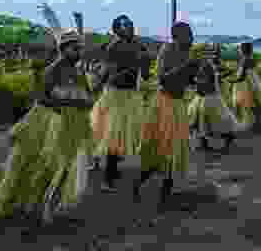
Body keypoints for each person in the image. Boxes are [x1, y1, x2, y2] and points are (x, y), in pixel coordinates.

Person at [135, 22, 200, 217]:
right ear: (177, 36)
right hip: (164, 105)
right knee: (161, 151)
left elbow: (186, 79)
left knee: (175, 152)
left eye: (192, 34)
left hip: (178, 105)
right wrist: (186, 67)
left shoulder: (187, 53)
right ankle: (139, 186)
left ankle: (165, 197)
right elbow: (163, 79)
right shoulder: (167, 50)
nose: (192, 38)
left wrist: (195, 74)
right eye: (188, 35)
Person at [33, 30, 96, 224]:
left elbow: (88, 97)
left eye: (79, 48)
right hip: (58, 123)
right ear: (63, 49)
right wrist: (62, 106)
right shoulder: (53, 70)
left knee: (68, 166)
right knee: (57, 166)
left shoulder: (79, 73)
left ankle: (51, 204)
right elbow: (42, 97)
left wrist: (83, 101)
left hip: (77, 124)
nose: (77, 52)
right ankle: (46, 206)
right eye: (73, 48)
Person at [89, 15, 151, 192]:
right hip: (115, 95)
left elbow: (145, 74)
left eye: (130, 25)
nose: (128, 29)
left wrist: (144, 63)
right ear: (117, 29)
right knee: (113, 135)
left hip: (131, 95)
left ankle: (111, 170)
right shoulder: (114, 46)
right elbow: (109, 72)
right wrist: (98, 84)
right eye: (124, 26)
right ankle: (107, 178)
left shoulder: (139, 46)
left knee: (122, 134)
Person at [0, 58, 58, 218]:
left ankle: (30, 201)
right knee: (21, 160)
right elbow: (40, 99)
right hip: (39, 118)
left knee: (39, 163)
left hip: (49, 119)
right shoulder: (41, 81)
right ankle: (13, 201)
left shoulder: (52, 74)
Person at [187, 43, 245, 153]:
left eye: (197, 54)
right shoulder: (203, 64)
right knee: (200, 120)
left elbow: (207, 81)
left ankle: (227, 140)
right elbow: (202, 80)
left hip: (210, 97)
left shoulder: (207, 65)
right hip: (203, 96)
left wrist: (195, 82)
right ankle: (204, 143)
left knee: (218, 120)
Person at [229, 42, 261, 130]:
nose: (239, 50)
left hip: (246, 84)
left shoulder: (244, 61)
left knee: (243, 103)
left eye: (240, 48)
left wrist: (231, 81)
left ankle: (237, 124)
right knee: (258, 103)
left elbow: (241, 77)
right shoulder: (250, 59)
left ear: (243, 50)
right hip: (253, 83)